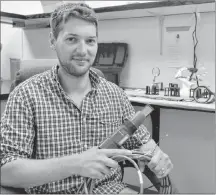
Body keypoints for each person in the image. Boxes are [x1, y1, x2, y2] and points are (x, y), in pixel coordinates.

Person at [1, 3, 173, 194]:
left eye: (90, 41)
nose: (83, 50)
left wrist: (157, 157)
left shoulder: (115, 95)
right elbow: (6, 171)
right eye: (72, 39)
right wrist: (76, 164)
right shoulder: (26, 95)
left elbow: (144, 146)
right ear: (52, 40)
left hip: (108, 190)